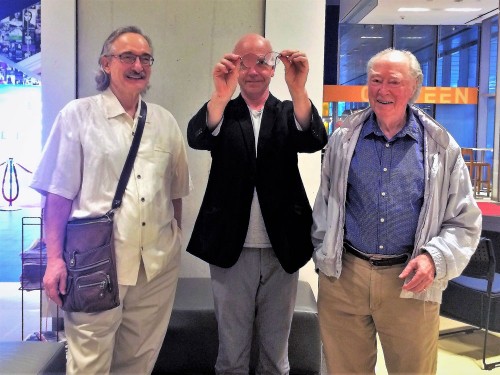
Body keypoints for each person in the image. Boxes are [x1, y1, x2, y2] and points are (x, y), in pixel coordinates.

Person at [311, 47, 482, 374]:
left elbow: (464, 222)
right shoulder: (343, 138)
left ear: (414, 87)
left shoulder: (441, 147)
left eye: (394, 81)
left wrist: (435, 258)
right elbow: (327, 203)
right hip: (345, 278)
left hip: (410, 284)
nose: (383, 90)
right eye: (376, 80)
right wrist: (323, 252)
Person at [30, 26, 190, 374]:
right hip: (95, 265)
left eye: (145, 58)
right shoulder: (78, 116)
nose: (138, 65)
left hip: (155, 269)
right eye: (127, 56)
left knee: (138, 362)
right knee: (89, 364)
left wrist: (174, 240)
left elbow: (175, 193)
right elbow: (57, 196)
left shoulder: (165, 122)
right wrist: (54, 260)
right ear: (106, 63)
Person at [186, 33, 327, 374]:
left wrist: (299, 90)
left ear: (274, 67)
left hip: (282, 248)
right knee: (231, 353)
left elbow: (314, 139)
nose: (253, 70)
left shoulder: (288, 111)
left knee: (276, 355)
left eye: (262, 62)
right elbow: (196, 136)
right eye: (244, 62)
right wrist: (220, 95)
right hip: (230, 250)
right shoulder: (223, 112)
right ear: (233, 65)